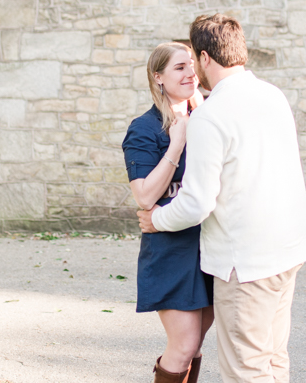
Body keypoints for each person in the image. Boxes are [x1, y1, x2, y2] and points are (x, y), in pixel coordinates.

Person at [138, 14, 306, 383]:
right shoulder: (272, 94)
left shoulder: (211, 115)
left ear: (204, 58)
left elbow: (197, 202)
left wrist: (155, 219)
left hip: (247, 263)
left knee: (246, 371)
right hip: (289, 249)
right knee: (273, 359)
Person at [122, 42, 213, 383]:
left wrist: (197, 117)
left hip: (209, 247)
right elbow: (145, 196)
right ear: (158, 77)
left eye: (191, 64)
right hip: (170, 251)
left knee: (195, 344)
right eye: (179, 67)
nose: (190, 72)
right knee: (184, 342)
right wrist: (176, 142)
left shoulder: (207, 120)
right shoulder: (145, 128)